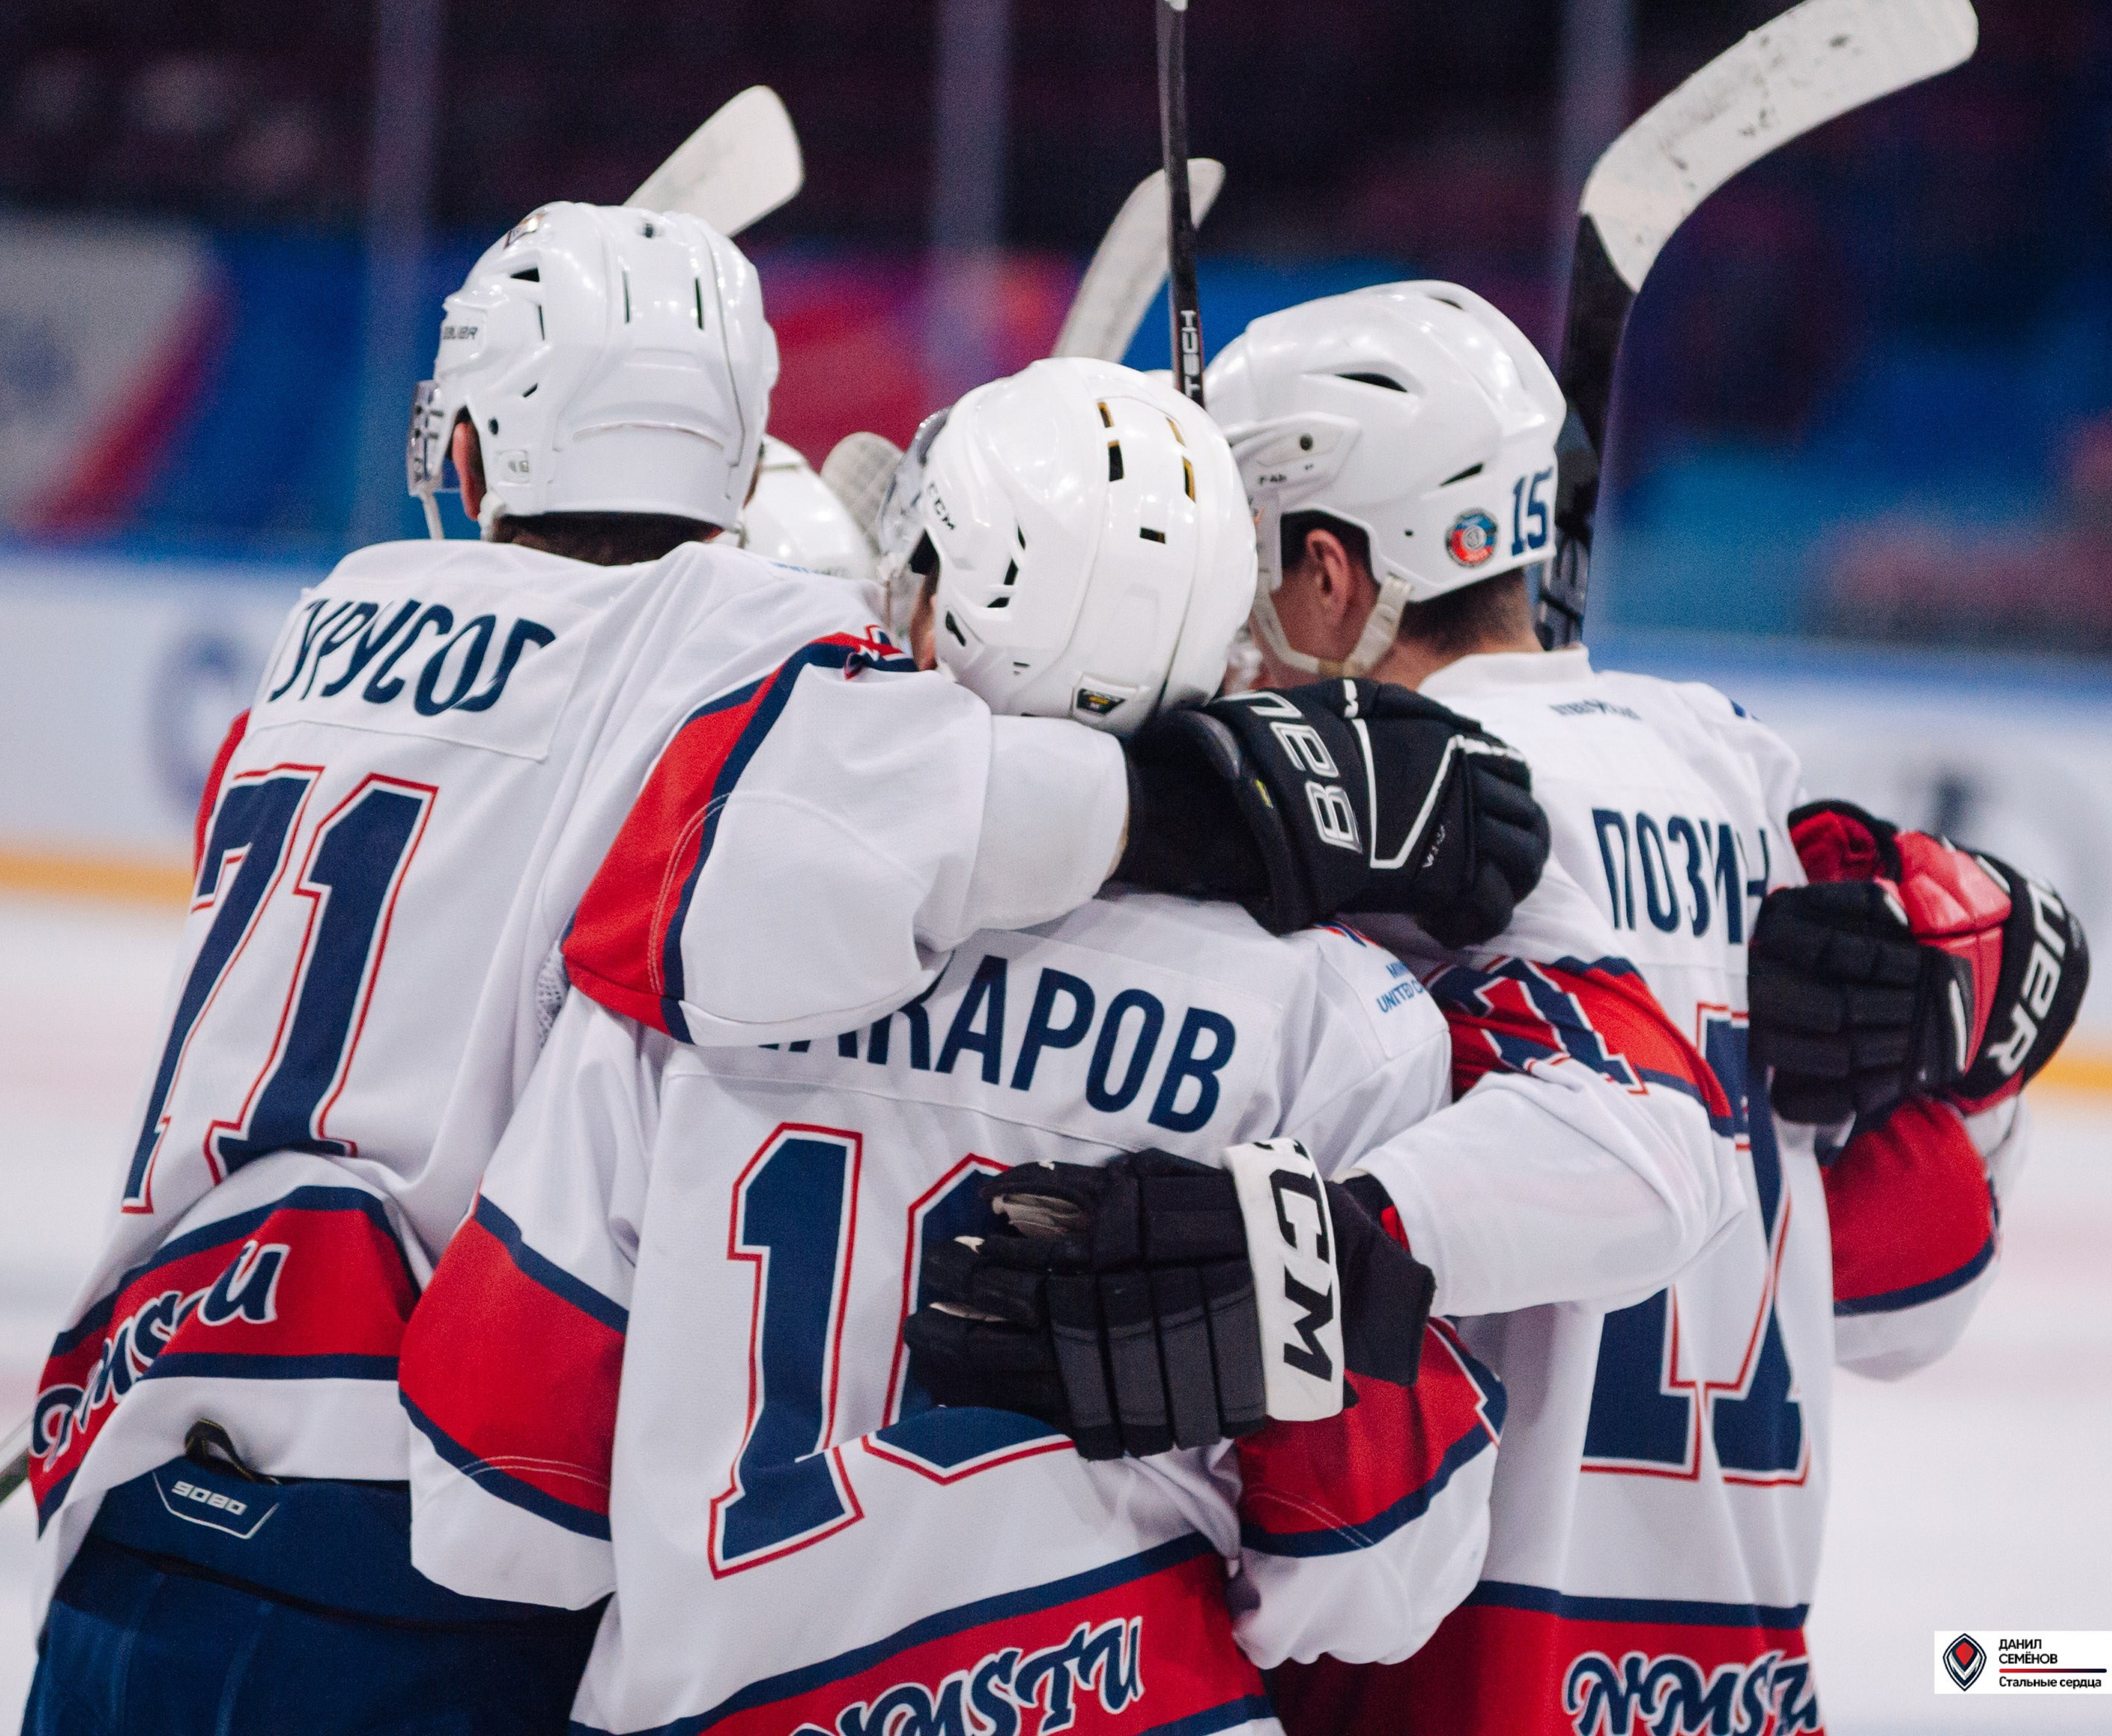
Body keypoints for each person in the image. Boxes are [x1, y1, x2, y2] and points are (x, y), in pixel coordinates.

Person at [20, 225, 1549, 1736]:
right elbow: (970, 799)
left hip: (137, 1472)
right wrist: (1252, 792)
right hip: (403, 1557)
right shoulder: (761, 665)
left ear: (474, 462)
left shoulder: (323, 626)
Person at [914, 282, 2088, 1736]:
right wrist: (1990, 1063)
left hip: (1444, 1673)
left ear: (1332, 576)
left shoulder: (1354, 829)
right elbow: (1913, 1292)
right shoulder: (1735, 772)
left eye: (1246, 560)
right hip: (1738, 1681)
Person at [397, 359, 1511, 1735]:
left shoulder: (688, 968)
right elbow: (1380, 1575)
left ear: (932, 593)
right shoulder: (1340, 1022)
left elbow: (495, 1500)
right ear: (1232, 649)